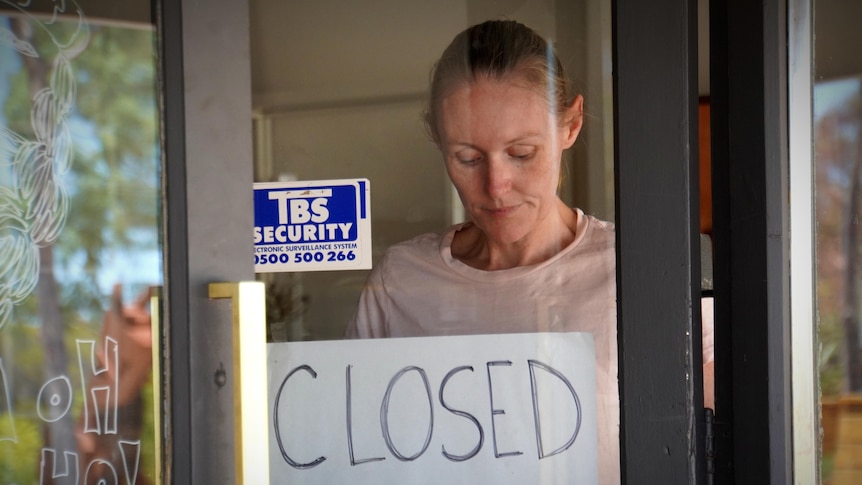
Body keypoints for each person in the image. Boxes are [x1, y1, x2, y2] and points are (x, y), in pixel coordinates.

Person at [345, 20, 619, 484]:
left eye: (523, 153)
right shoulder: (402, 279)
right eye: (467, 158)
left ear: (570, 126)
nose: (495, 187)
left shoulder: (635, 269)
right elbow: (354, 448)